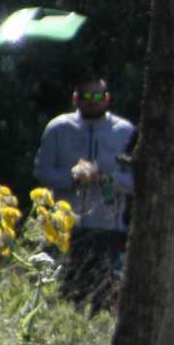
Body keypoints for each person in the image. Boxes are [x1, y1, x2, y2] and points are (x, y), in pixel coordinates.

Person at [33, 77, 135, 311]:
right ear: (75, 99)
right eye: (86, 96)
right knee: (63, 295)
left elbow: (137, 180)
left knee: (102, 299)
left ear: (107, 98)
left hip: (106, 228)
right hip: (64, 228)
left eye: (98, 96)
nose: (92, 101)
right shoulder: (58, 128)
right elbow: (42, 172)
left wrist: (105, 177)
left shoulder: (125, 132)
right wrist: (72, 177)